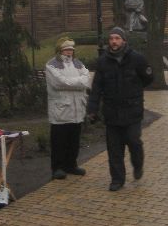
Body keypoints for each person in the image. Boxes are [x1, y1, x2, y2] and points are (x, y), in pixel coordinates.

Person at [87, 27, 153, 191]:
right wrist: (92, 109)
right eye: (111, 38)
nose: (114, 41)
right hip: (112, 112)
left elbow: (148, 78)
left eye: (117, 38)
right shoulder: (103, 62)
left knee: (133, 141)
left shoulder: (137, 59)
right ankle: (117, 179)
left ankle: (138, 165)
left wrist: (135, 91)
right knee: (114, 148)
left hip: (132, 111)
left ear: (124, 40)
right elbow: (97, 87)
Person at [45, 36, 91, 180]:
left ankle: (71, 165)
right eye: (66, 49)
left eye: (71, 49)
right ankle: (57, 167)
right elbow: (59, 83)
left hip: (77, 109)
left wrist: (72, 82)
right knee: (59, 141)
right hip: (61, 110)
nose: (69, 52)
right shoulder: (51, 65)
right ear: (60, 50)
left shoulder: (78, 64)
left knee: (74, 140)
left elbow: (87, 79)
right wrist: (79, 82)